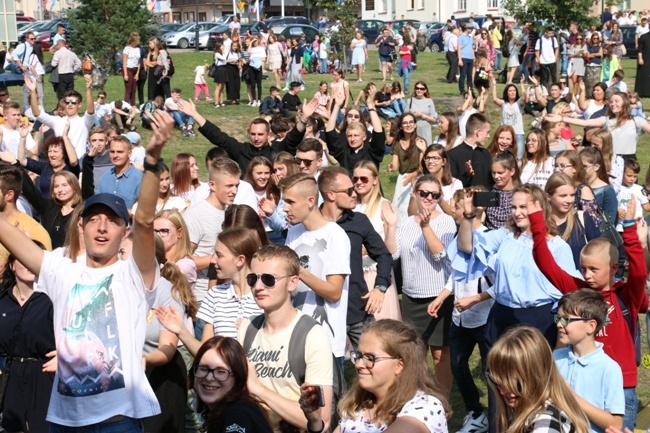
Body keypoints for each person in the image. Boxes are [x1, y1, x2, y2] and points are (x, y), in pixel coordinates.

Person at [0, 109, 174, 431]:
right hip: (64, 422)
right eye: (94, 219)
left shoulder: (133, 276)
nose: (102, 227)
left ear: (125, 231)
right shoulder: (62, 271)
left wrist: (151, 162)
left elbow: (147, 220)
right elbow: (9, 234)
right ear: (80, 227)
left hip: (116, 422)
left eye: (113, 221)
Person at [528, 195, 648, 431]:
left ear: (614, 268)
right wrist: (536, 223)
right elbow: (546, 265)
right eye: (583, 268)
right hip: (583, 380)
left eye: (594, 269)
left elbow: (639, 273)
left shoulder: (626, 296)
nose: (587, 275)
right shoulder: (578, 291)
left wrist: (630, 231)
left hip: (622, 384)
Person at [239, 244, 335, 432]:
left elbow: (322, 421)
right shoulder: (247, 328)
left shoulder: (312, 334)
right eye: (252, 279)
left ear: (292, 283)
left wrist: (259, 390)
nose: (258, 287)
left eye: (268, 279)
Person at [300, 319, 449, 433]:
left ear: (399, 365)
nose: (358, 364)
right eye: (359, 355)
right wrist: (315, 421)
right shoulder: (356, 408)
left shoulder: (424, 408)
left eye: (370, 358)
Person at [384, 174, 456, 398]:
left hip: (438, 296)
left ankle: (443, 399)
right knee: (417, 352)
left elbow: (441, 255)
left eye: (434, 195)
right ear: (415, 193)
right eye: (424, 193)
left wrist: (425, 226)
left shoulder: (446, 222)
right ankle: (422, 396)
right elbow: (392, 253)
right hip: (411, 297)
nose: (429, 198)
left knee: (440, 354)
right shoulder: (406, 223)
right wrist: (390, 226)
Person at [429, 188, 494, 433]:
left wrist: (475, 299)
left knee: (493, 372)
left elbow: (503, 284)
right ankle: (475, 413)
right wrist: (442, 296)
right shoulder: (458, 238)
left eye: (457, 207)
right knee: (457, 365)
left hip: (485, 319)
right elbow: (456, 275)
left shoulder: (490, 238)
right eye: (457, 207)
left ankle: (498, 416)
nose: (453, 211)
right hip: (460, 319)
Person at [318, 167, 392, 351]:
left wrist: (380, 287)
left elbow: (383, 255)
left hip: (359, 310)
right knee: (328, 374)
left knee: (377, 363)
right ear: (331, 195)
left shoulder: (358, 221)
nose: (355, 193)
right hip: (324, 313)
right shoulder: (312, 224)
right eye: (349, 190)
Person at [282, 173, 351, 367]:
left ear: (310, 201)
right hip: (293, 336)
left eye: (290, 201)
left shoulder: (335, 236)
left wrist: (298, 270)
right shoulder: (294, 232)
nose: (285, 208)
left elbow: (334, 292)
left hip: (325, 342)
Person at [487, 326, 591, 433]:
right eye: (497, 380)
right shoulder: (526, 406)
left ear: (539, 376)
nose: (503, 391)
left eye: (516, 383)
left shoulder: (544, 425)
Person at [0, 238, 54, 433]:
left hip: (44, 375)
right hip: (10, 376)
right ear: (12, 265)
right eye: (23, 258)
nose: (28, 264)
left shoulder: (52, 300)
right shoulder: (3, 301)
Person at [553, 289, 625, 433]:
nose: (559, 324)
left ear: (591, 326)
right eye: (558, 318)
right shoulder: (554, 358)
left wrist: (572, 397)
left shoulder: (608, 368)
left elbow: (615, 424)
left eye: (566, 319)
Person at [175, 98, 308, 174]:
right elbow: (218, 137)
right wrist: (194, 115)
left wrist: (304, 119)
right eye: (253, 134)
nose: (256, 138)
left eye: (260, 134)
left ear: (269, 134)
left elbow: (293, 138)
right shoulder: (242, 150)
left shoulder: (277, 150)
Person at [189, 336, 273, 433]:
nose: (209, 378)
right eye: (204, 368)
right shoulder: (225, 412)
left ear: (237, 377)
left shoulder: (238, 414)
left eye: (221, 371)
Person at [352, 161, 401, 321]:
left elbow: (391, 250)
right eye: (355, 178)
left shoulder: (384, 206)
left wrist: (365, 249)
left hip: (375, 273)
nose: (359, 182)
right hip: (353, 273)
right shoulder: (350, 206)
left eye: (364, 179)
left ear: (375, 180)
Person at [26, 74, 96, 160]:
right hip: (61, 163)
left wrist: (88, 89)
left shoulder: (84, 121)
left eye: (73, 102)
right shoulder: (57, 121)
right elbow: (37, 113)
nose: (70, 104)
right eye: (67, 102)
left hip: (79, 163)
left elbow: (90, 111)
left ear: (79, 105)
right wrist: (32, 92)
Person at [544, 172, 601, 268]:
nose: (569, 200)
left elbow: (599, 252)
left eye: (572, 195)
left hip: (578, 281)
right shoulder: (540, 223)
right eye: (563, 196)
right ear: (548, 196)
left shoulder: (583, 219)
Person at [19, 169, 83, 249]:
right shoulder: (49, 207)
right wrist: (15, 164)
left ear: (74, 187)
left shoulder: (82, 211)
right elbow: (30, 191)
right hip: (50, 257)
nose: (60, 190)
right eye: (56, 186)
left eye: (64, 185)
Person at [387, 113, 427, 220]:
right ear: (400, 126)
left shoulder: (420, 142)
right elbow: (395, 165)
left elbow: (422, 167)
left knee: (415, 209)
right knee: (399, 209)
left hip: (417, 177)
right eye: (405, 123)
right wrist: (391, 167)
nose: (408, 125)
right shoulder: (397, 144)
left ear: (415, 125)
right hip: (403, 178)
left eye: (411, 122)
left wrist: (412, 176)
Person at [96, 135, 143, 211]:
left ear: (129, 153)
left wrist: (117, 211)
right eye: (112, 152)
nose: (115, 155)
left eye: (120, 152)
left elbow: (143, 211)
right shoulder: (104, 177)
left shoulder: (139, 179)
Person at [447, 113, 492, 188]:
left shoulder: (485, 154)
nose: (488, 136)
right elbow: (452, 185)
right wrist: (467, 175)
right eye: (487, 132)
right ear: (477, 132)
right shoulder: (452, 155)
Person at [489, 76, 527, 157]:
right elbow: (495, 99)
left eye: (514, 91)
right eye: (510, 91)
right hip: (505, 134)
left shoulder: (519, 103)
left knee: (518, 156)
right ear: (507, 93)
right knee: (502, 156)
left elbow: (525, 98)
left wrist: (522, 84)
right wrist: (494, 85)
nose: (513, 92)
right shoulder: (503, 103)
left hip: (518, 133)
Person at [404, 80, 437, 145]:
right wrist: (413, 116)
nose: (419, 90)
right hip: (412, 129)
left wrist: (422, 115)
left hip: (425, 129)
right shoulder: (409, 101)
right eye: (417, 88)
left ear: (425, 90)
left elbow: (433, 119)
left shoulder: (429, 101)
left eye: (421, 89)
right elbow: (404, 117)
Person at [122, 32, 141, 106]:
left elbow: (138, 62)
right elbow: (124, 61)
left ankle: (133, 105)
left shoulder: (137, 49)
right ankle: (126, 105)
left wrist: (137, 73)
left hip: (135, 69)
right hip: (128, 69)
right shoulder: (127, 49)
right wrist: (125, 74)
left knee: (134, 89)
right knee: (128, 89)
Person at [458, 26, 475, 95]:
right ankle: (462, 90)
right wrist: (460, 59)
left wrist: (473, 57)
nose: (471, 30)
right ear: (466, 29)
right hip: (464, 57)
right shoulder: (461, 37)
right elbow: (459, 48)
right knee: (463, 75)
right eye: (470, 28)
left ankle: (470, 89)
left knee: (469, 75)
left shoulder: (470, 38)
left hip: (470, 58)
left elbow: (472, 48)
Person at [634, 30, 650, 97]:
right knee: (643, 75)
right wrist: (640, 58)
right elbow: (640, 49)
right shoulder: (643, 37)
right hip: (645, 58)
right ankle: (641, 92)